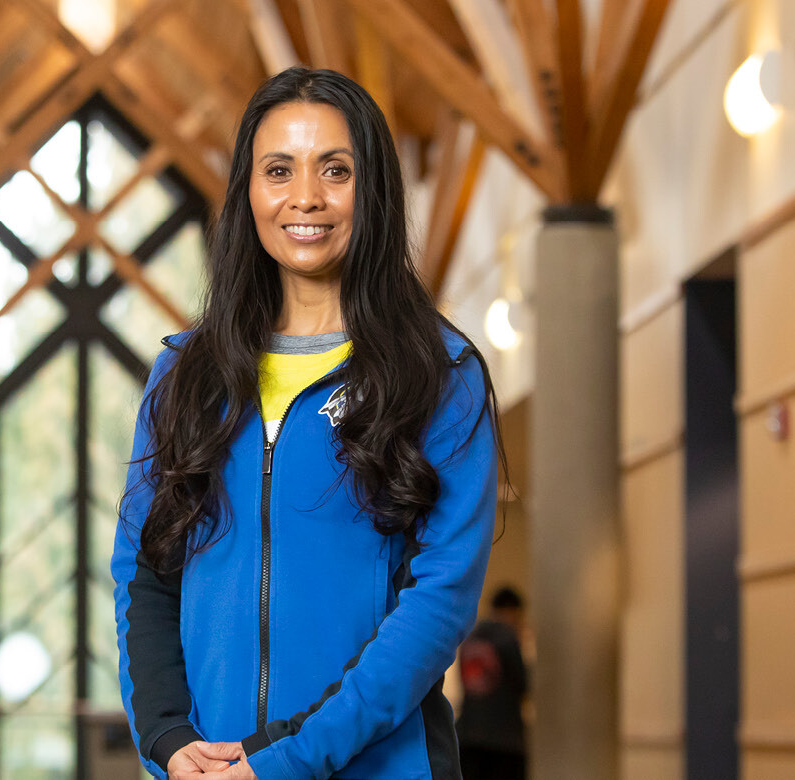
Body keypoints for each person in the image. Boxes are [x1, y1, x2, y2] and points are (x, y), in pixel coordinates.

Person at [111, 67, 503, 780]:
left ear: (373, 189)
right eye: (278, 170)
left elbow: (438, 605)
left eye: (336, 170)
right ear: (249, 191)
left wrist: (285, 759)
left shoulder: (440, 375)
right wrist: (168, 737)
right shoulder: (184, 376)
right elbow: (144, 570)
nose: (306, 198)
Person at [456, 587, 529, 780]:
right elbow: (522, 685)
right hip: (504, 740)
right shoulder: (508, 639)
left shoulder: (471, 637)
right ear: (512, 611)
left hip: (468, 735)